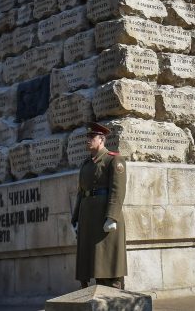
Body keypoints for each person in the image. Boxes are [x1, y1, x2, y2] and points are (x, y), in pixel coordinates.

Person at [71, 122, 127, 289]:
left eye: (91, 137)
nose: (87, 140)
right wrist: (75, 219)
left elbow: (117, 191)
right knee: (90, 264)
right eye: (87, 137)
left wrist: (112, 217)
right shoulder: (86, 164)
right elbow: (81, 192)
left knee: (107, 262)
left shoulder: (113, 160)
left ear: (101, 139)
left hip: (104, 217)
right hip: (88, 219)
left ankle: (113, 297)